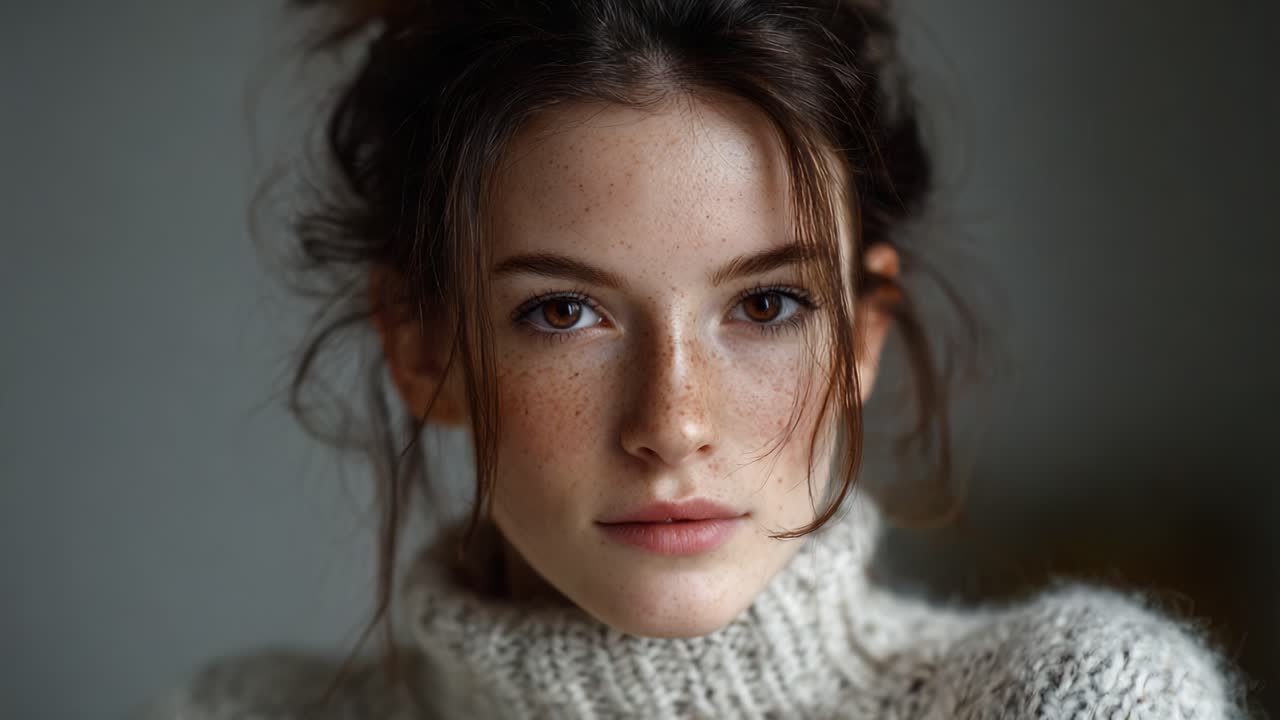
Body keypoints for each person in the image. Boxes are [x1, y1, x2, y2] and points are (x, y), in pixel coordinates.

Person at [141, 0, 1250, 717]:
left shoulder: (1073, 701)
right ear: (423, 347)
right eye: (564, 313)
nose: (672, 423)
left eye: (765, 304)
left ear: (860, 335)